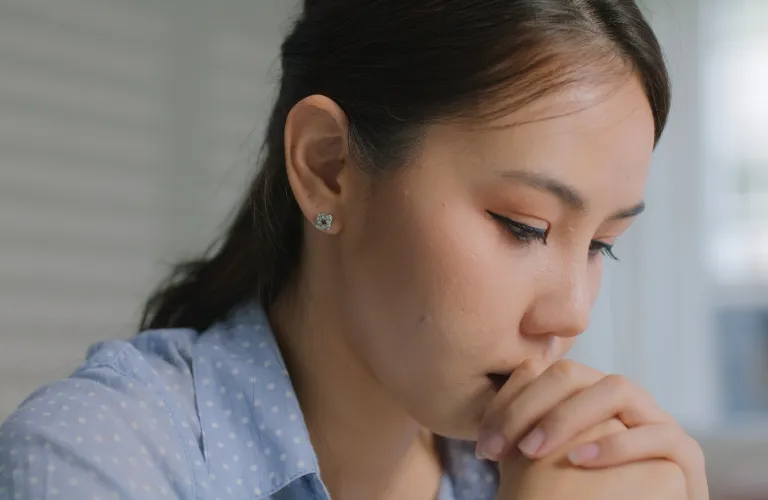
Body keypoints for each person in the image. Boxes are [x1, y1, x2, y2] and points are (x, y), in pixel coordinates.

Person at [0, 0, 709, 499]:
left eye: (604, 246)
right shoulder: (94, 458)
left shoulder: (558, 473)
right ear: (328, 166)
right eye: (523, 225)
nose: (572, 314)